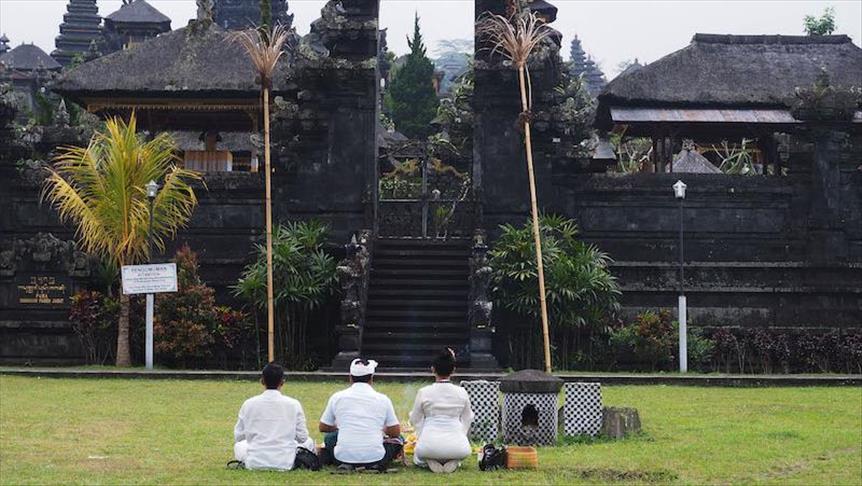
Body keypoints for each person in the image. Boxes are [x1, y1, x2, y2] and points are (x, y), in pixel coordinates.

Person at [319, 358, 402, 472]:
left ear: (350, 377)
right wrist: (381, 430)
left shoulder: (337, 397)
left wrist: (340, 427)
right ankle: (374, 464)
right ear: (371, 378)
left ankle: (347, 462)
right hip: (376, 457)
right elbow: (395, 432)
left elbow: (323, 427)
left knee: (329, 438)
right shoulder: (383, 399)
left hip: (342, 457)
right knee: (399, 440)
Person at [233, 362, 315, 471]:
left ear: (262, 381)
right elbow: (303, 437)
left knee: (239, 446)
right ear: (282, 382)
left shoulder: (248, 404)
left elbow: (239, 436)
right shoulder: (294, 404)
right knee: (309, 442)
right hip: (285, 462)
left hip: (254, 461)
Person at [409, 348, 473, 473]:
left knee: (418, 456)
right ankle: (454, 460)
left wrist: (422, 436)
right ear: (453, 370)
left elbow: (415, 419)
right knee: (457, 450)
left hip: (428, 446)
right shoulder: (461, 392)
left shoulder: (424, 392)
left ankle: (430, 459)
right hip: (458, 448)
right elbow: (468, 417)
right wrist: (461, 435)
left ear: (433, 369)